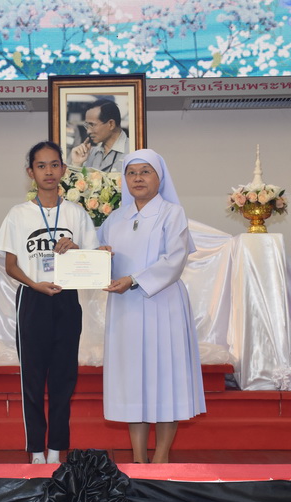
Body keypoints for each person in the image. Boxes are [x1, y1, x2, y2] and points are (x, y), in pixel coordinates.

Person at [0, 141, 100, 465]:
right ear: (31, 172)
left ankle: (56, 449)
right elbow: (11, 265)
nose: (49, 171)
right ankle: (36, 451)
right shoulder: (18, 215)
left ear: (64, 170)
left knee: (63, 379)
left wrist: (77, 250)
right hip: (33, 299)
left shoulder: (76, 213)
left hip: (67, 300)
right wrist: (34, 284)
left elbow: (92, 259)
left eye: (54, 165)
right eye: (41, 166)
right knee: (33, 378)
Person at [98, 149, 206, 463]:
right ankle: (138, 459)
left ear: (160, 177)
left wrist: (134, 279)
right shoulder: (115, 219)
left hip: (163, 304)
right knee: (134, 380)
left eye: (146, 172)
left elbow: (174, 260)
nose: (138, 178)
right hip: (126, 309)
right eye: (132, 173)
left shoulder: (172, 214)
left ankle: (160, 457)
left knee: (165, 378)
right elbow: (102, 259)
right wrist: (100, 258)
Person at [69, 99, 130, 172]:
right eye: (87, 126)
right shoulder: (89, 154)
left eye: (92, 125)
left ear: (111, 124)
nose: (88, 131)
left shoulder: (132, 150)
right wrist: (77, 164)